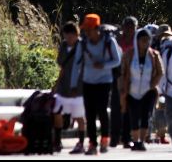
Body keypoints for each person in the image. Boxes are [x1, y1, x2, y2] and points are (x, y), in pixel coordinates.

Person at [69, 14, 122, 155]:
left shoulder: (109, 41)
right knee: (90, 114)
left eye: (89, 29)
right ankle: (92, 143)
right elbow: (76, 64)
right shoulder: (83, 43)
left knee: (102, 110)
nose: (86, 32)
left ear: (97, 28)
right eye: (85, 29)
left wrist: (103, 65)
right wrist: (73, 84)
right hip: (88, 81)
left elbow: (117, 61)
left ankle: (105, 138)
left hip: (105, 81)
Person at [119, 28, 164, 152]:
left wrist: (153, 84)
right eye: (142, 40)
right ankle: (135, 141)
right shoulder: (129, 54)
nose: (145, 42)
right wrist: (123, 88)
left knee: (145, 116)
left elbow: (160, 72)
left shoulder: (154, 55)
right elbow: (122, 73)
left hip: (148, 91)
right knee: (134, 116)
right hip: (132, 91)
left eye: (147, 40)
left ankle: (142, 141)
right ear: (137, 41)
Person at [53, 22, 86, 154]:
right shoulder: (63, 46)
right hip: (63, 87)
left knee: (79, 117)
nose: (68, 38)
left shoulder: (82, 46)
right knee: (57, 112)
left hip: (78, 88)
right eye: (66, 36)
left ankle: (81, 142)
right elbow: (61, 64)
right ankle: (57, 141)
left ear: (76, 34)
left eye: (71, 35)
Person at [111, 16, 137, 149]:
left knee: (129, 108)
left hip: (133, 77)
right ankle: (114, 138)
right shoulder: (117, 40)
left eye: (132, 26)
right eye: (127, 26)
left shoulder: (137, 41)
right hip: (118, 75)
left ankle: (126, 138)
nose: (130, 29)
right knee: (116, 107)